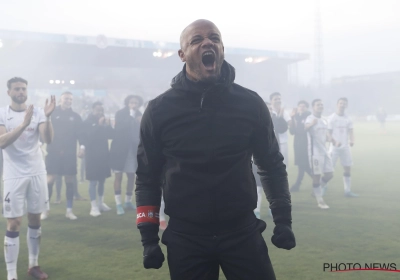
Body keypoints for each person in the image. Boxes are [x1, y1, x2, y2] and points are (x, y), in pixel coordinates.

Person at [136, 19, 295, 280]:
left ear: (222, 49)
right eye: (196, 40)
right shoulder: (159, 110)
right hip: (186, 238)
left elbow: (272, 165)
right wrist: (149, 238)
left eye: (214, 38)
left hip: (242, 232)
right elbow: (147, 177)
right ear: (182, 54)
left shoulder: (250, 104)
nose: (207, 42)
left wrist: (283, 221)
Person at [0, 77, 54, 280]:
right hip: (14, 175)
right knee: (13, 222)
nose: (21, 92)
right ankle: (11, 275)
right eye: (17, 89)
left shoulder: (38, 112)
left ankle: (33, 265)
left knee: (35, 218)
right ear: (9, 92)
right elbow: (2, 142)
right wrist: (23, 124)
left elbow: (47, 139)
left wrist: (48, 118)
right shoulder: (3, 114)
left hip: (36, 172)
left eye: (23, 88)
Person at [41, 92, 84, 220]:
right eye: (66, 98)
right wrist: (39, 143)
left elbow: (80, 134)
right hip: (53, 152)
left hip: (69, 153)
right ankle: (45, 210)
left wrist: (82, 147)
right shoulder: (52, 114)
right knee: (50, 180)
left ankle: (69, 211)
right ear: (60, 100)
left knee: (69, 180)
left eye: (70, 99)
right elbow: (45, 130)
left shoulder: (75, 116)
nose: (68, 101)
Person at [109, 95, 143, 215]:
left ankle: (128, 201)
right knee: (118, 176)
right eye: (132, 102)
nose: (134, 105)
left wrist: (141, 122)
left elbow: (143, 132)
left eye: (136, 103)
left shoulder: (140, 115)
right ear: (127, 103)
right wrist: (131, 116)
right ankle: (118, 204)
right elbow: (119, 128)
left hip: (133, 151)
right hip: (119, 150)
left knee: (131, 176)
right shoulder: (120, 113)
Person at [81, 102, 113, 216]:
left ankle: (100, 203)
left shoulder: (103, 122)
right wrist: (99, 126)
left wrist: (108, 125)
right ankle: (93, 206)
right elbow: (88, 137)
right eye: (97, 110)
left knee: (102, 180)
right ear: (92, 110)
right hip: (92, 156)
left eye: (101, 110)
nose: (99, 113)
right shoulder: (87, 122)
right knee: (93, 181)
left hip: (103, 155)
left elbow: (111, 135)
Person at [305, 99, 334, 209]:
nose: (320, 106)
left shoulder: (324, 120)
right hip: (314, 152)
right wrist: (311, 124)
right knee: (316, 176)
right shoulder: (310, 118)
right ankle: (320, 201)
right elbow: (305, 127)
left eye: (321, 104)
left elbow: (324, 135)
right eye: (318, 105)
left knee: (330, 174)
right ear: (313, 107)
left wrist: (331, 139)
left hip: (324, 150)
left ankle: (316, 190)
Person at [328, 98, 358, 197]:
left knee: (347, 168)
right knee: (328, 169)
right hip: (334, 147)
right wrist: (334, 141)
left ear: (346, 106)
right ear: (337, 104)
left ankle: (347, 191)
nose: (342, 105)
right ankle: (322, 188)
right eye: (341, 103)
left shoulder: (348, 118)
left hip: (345, 147)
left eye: (344, 104)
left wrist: (352, 140)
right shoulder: (332, 118)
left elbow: (351, 131)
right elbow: (328, 133)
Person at [289, 101, 312, 192]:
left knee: (303, 165)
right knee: (302, 165)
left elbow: (303, 131)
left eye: (304, 106)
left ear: (307, 108)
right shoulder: (296, 116)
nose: (301, 108)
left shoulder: (309, 116)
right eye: (300, 106)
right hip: (297, 144)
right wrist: (292, 117)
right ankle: (318, 181)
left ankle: (318, 181)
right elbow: (292, 132)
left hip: (307, 144)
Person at [270, 92, 291, 166]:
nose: (278, 100)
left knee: (284, 164)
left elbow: (289, 124)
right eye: (275, 99)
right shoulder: (269, 111)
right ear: (271, 101)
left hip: (282, 141)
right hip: (270, 142)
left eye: (279, 99)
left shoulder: (285, 112)